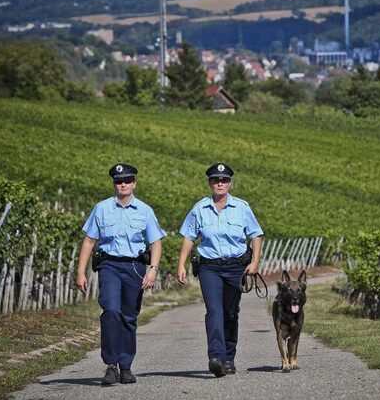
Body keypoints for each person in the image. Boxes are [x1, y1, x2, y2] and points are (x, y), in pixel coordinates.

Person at [76, 163, 166, 385]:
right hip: (109, 266)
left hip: (134, 268)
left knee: (128, 317)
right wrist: (80, 271)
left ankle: (126, 367)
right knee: (111, 311)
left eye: (127, 180)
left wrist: (153, 269)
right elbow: (89, 241)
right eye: (118, 181)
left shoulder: (145, 211)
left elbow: (155, 242)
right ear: (114, 184)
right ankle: (111, 364)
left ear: (134, 183)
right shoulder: (101, 208)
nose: (122, 184)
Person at [177, 163, 263, 378]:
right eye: (215, 180)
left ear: (230, 184)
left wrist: (255, 262)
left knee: (231, 313)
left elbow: (256, 235)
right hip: (209, 268)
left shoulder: (242, 207)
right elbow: (188, 237)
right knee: (214, 311)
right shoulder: (199, 208)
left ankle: (229, 357)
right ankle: (216, 357)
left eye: (223, 180)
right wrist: (181, 264)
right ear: (209, 183)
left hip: (235, 268)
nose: (219, 183)